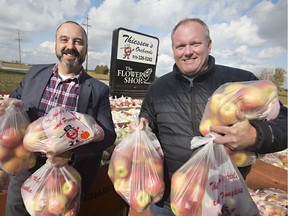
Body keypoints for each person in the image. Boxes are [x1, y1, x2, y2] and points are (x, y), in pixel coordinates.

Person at [129, 18, 287, 215]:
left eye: (195, 43)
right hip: (169, 200)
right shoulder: (158, 88)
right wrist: (141, 127)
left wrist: (256, 135)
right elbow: (148, 119)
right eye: (180, 46)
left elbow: (284, 125)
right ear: (173, 50)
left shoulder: (240, 81)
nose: (187, 52)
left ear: (209, 45)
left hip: (222, 197)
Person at [1, 21, 116, 216]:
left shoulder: (98, 90)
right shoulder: (34, 74)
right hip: (25, 169)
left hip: (65, 176)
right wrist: (9, 106)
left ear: (86, 48)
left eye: (78, 41)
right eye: (64, 40)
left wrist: (71, 154)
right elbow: (17, 98)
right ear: (56, 44)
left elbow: (108, 134)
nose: (70, 46)